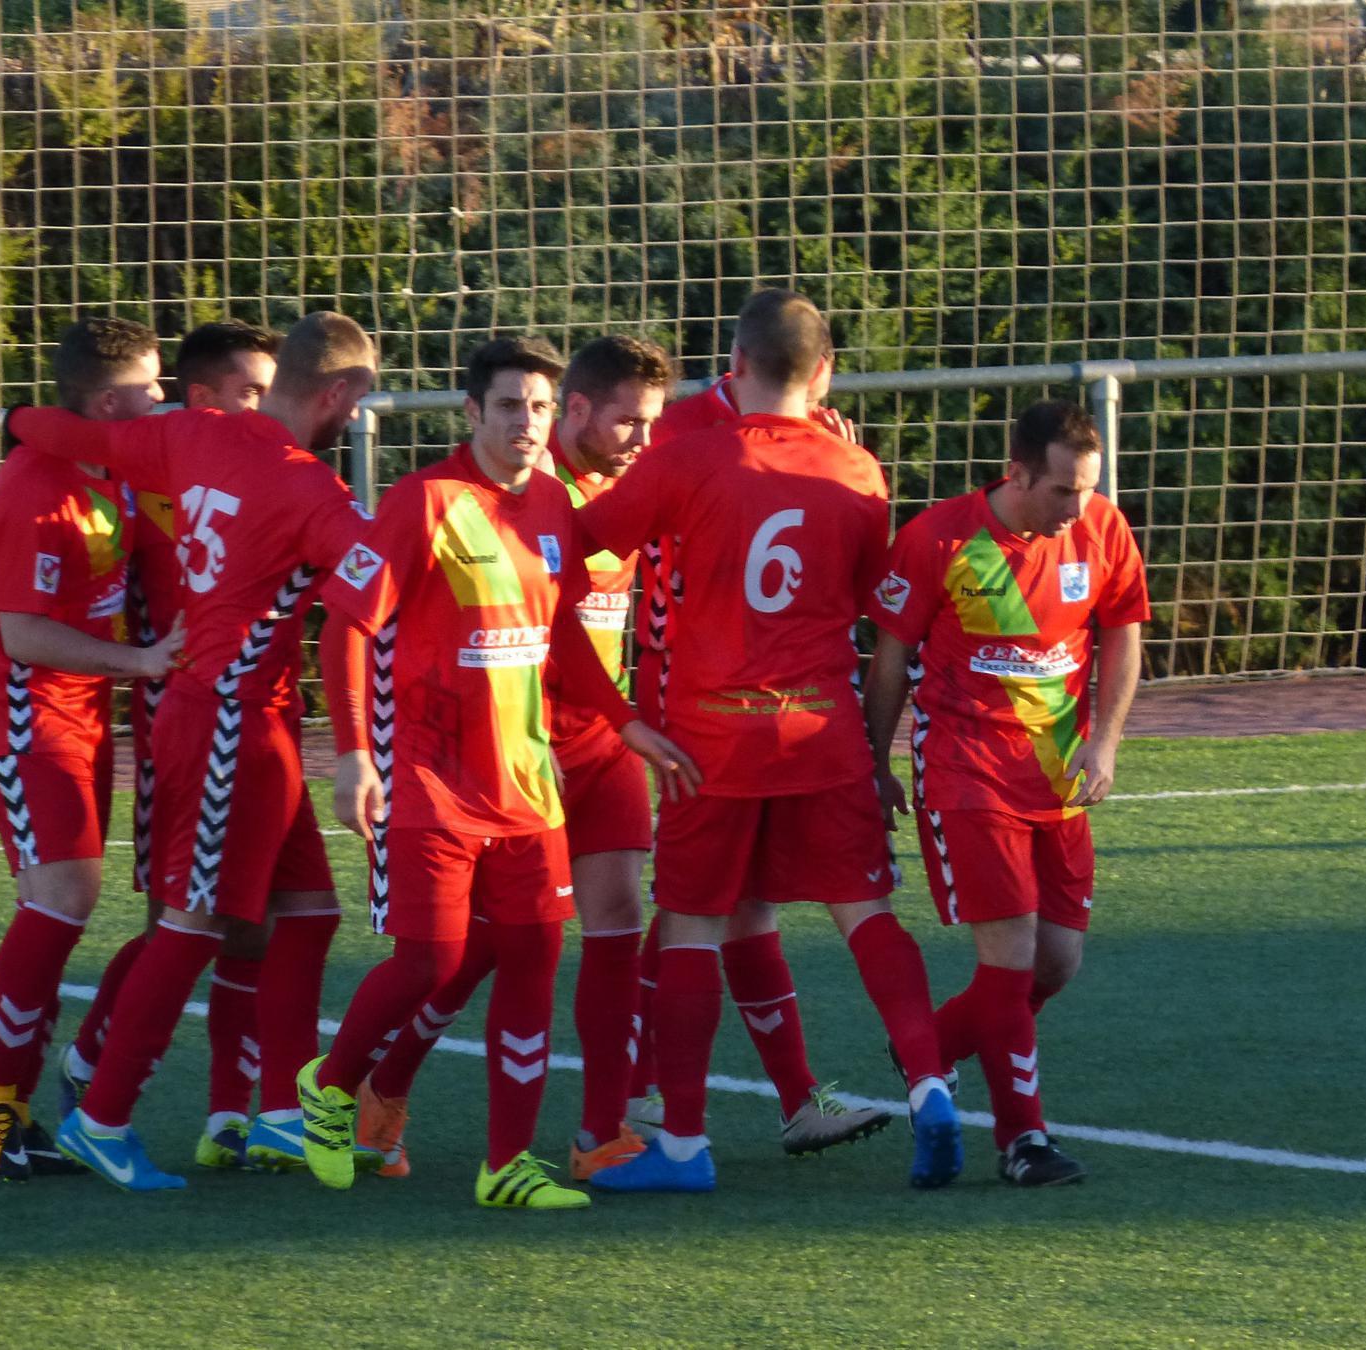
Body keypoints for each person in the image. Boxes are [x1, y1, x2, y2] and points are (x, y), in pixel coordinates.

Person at [295, 336, 698, 1212]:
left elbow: (564, 637)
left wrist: (628, 722)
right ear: (473, 412)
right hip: (436, 779)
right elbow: (346, 625)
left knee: (536, 959)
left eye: (539, 407)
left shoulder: (552, 504)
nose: (527, 422)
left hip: (532, 786)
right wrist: (355, 755)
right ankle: (331, 1089)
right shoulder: (424, 501)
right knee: (432, 961)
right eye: (511, 406)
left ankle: (509, 1163)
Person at [575, 289, 964, 1194]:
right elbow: (873, 607)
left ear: (735, 364)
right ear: (823, 373)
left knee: (691, 927)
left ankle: (682, 1144)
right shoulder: (857, 470)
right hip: (822, 728)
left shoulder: (684, 455)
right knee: (866, 913)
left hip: (711, 737)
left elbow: (579, 545)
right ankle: (931, 1086)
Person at [0, 311, 383, 1191]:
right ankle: (102, 1116)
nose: (359, 418)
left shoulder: (195, 433)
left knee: (307, 913)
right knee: (192, 925)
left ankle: (281, 1116)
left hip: (245, 720)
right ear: (336, 393)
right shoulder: (310, 491)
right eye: (359, 400)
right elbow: (373, 603)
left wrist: (16, 419)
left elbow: (76, 434)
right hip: (224, 722)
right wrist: (360, 745)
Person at [54, 320, 323, 1174]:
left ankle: (245, 1112)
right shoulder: (147, 482)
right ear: (205, 401)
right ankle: (94, 1074)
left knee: (275, 918)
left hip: (261, 718)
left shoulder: (244, 466)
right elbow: (73, 566)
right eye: (252, 390)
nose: (268, 405)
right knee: (186, 920)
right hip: (188, 722)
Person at [860, 399, 1149, 1187]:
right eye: (1063, 490)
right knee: (1012, 959)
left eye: (1088, 488)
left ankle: (932, 1049)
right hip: (968, 771)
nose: (1078, 507)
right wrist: (876, 762)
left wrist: (1105, 741)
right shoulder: (939, 538)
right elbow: (890, 659)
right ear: (1016, 473)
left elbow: (1123, 629)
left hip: (1058, 776)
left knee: (1056, 963)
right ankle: (1023, 1140)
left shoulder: (1102, 527)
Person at [623, 341, 884, 1154]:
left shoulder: (800, 434)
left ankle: (788, 1098)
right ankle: (635, 1097)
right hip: (686, 684)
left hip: (738, 692)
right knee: (686, 905)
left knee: (734, 902)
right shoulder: (681, 432)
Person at [0, 317, 180, 1181]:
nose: (162, 396)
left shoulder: (109, 467)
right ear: (110, 402)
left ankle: (18, 1100)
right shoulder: (35, 489)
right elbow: (22, 634)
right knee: (62, 898)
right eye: (151, 384)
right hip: (21, 717)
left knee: (65, 903)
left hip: (80, 714)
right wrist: (143, 662)